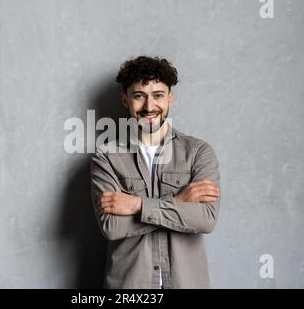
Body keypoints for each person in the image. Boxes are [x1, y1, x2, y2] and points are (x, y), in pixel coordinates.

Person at [90, 56, 221, 289]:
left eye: (158, 95)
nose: (150, 107)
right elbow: (112, 227)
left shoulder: (199, 152)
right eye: (139, 96)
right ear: (125, 99)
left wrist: (135, 206)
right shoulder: (106, 157)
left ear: (170, 97)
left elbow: (205, 219)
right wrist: (179, 202)